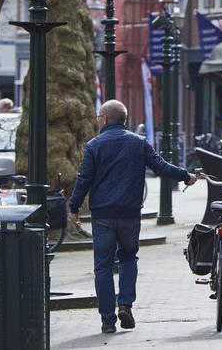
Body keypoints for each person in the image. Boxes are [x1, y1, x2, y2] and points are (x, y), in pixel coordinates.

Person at [68, 100, 196, 334]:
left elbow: (84, 178)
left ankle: (107, 320)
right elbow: (160, 167)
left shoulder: (94, 145)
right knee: (128, 258)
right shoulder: (138, 143)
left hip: (103, 215)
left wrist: (73, 206)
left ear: (104, 119)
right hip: (129, 213)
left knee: (103, 267)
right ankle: (125, 304)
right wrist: (185, 176)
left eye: (99, 118)